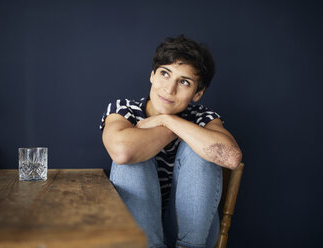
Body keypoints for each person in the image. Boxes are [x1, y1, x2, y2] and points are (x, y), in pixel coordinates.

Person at [100, 35, 242, 248]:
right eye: (165, 74)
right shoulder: (124, 110)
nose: (169, 89)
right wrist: (173, 128)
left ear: (198, 93)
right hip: (139, 234)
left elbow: (231, 158)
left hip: (193, 236)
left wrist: (167, 120)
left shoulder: (203, 116)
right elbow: (122, 152)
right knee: (134, 150)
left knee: (200, 149)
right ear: (152, 75)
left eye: (184, 82)